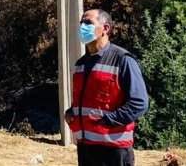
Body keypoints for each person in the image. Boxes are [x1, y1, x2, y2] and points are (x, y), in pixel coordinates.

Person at [64, 9, 149, 166]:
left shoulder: (123, 60)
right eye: (81, 23)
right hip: (86, 147)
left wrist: (107, 121)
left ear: (105, 28)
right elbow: (88, 101)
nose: (82, 27)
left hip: (114, 150)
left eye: (88, 23)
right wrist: (71, 113)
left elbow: (139, 103)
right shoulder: (81, 64)